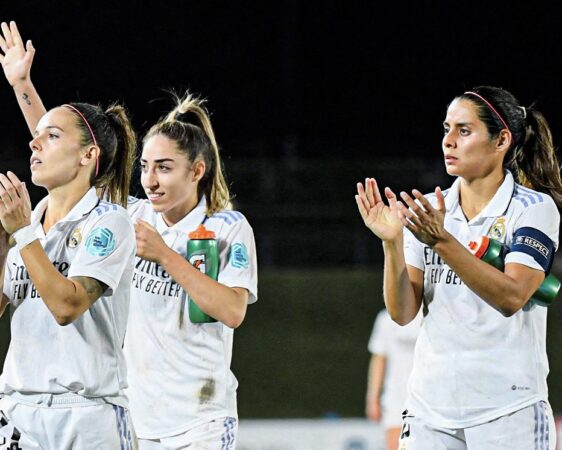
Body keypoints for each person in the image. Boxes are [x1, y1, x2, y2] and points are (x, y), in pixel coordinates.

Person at [1, 21, 258, 449]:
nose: (150, 180)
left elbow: (233, 311)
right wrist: (22, 85)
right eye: (144, 167)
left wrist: (166, 256)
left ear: (197, 171)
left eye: (163, 167)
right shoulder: (133, 215)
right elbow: (72, 161)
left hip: (201, 418)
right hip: (140, 414)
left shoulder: (225, 227)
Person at [356, 86, 561, 450]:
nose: (448, 141)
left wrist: (442, 242)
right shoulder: (432, 211)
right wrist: (392, 244)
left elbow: (513, 295)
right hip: (429, 410)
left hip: (507, 411)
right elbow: (403, 313)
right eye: (447, 129)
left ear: (501, 141)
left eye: (464, 131)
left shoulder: (532, 208)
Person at [0, 21, 138, 449]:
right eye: (35, 138)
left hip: (86, 417)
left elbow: (66, 305)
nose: (34, 145)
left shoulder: (109, 223)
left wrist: (22, 234)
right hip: (16, 411)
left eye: (51, 137)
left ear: (89, 155)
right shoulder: (29, 221)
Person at [366, 308, 421, 450]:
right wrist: (372, 398)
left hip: (430, 400)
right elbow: (379, 358)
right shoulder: (386, 319)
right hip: (396, 400)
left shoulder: (436, 314)